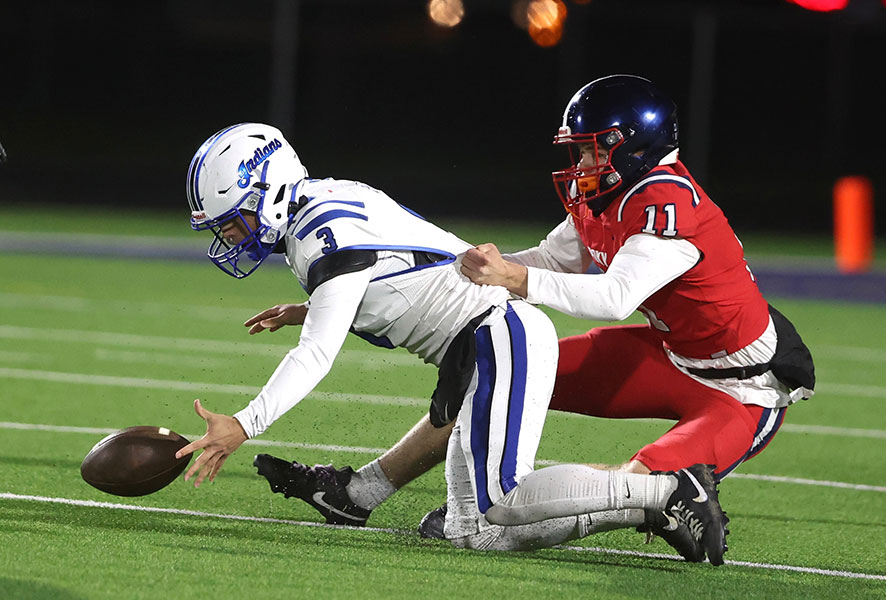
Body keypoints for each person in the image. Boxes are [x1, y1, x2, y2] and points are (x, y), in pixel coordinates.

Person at [261, 74, 815, 563]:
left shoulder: (667, 205)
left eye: (593, 150)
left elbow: (615, 295)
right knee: (495, 375)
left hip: (741, 389)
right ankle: (363, 492)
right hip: (670, 354)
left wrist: (513, 279)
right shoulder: (609, 195)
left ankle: (639, 507)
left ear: (634, 148)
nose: (581, 165)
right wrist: (470, 273)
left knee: (644, 484)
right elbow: (550, 259)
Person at [176, 122, 729, 563]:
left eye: (234, 219)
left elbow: (318, 354)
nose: (231, 235)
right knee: (475, 532)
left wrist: (245, 423)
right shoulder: (325, 201)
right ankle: (657, 502)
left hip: (500, 335)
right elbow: (397, 278)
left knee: (502, 503)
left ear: (267, 193)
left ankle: (665, 493)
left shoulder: (325, 236)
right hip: (487, 341)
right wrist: (309, 308)